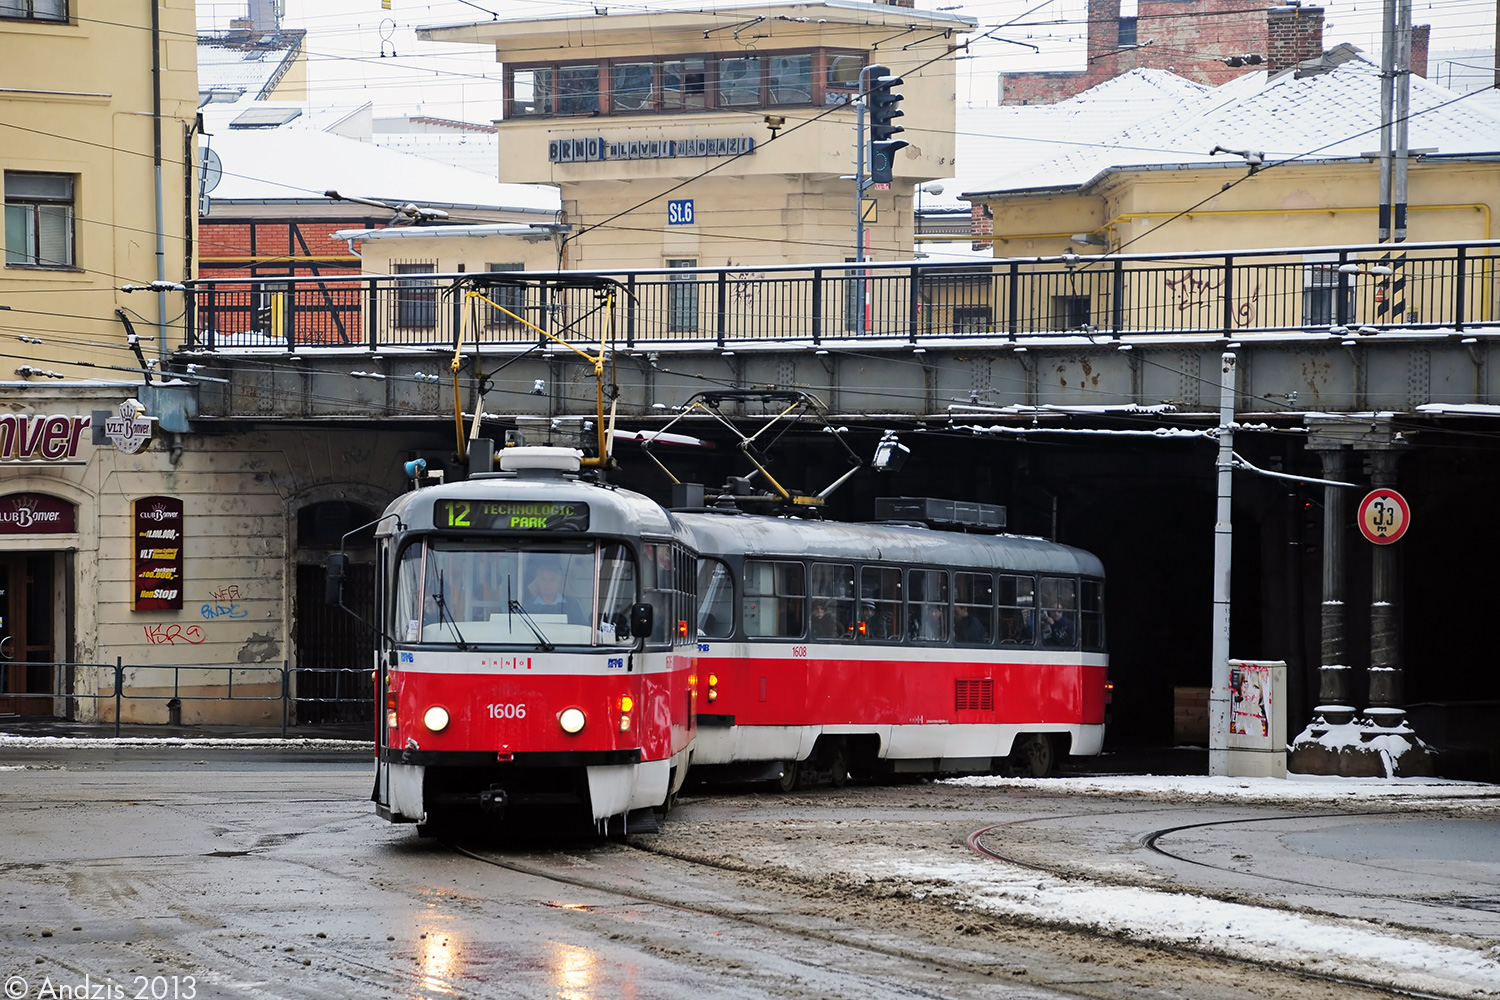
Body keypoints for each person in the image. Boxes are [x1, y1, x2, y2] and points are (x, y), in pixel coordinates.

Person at [524, 557, 585, 624]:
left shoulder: (572, 605)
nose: (547, 583)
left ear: (559, 582)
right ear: (538, 582)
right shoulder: (528, 607)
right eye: (543, 580)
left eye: (552, 580)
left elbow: (581, 627)